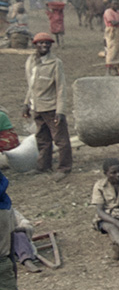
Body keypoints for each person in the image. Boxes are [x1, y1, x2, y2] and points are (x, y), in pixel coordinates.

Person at [23, 32, 71, 180]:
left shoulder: (55, 63)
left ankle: (64, 167)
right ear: (35, 45)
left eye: (47, 43)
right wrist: (26, 104)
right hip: (36, 106)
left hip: (51, 107)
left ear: (50, 45)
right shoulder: (31, 61)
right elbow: (31, 86)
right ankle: (43, 166)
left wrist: (60, 111)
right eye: (41, 43)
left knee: (60, 140)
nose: (44, 46)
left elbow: (61, 88)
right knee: (42, 138)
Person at [91, 158, 119, 260]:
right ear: (106, 174)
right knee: (111, 228)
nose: (118, 175)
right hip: (107, 217)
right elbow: (100, 211)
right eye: (113, 172)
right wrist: (117, 223)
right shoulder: (100, 186)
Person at [103, 0, 119, 69]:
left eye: (117, 5)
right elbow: (113, 23)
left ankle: (117, 67)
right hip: (112, 30)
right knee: (112, 49)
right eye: (115, 4)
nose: (116, 6)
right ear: (111, 5)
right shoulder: (108, 12)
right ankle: (109, 67)